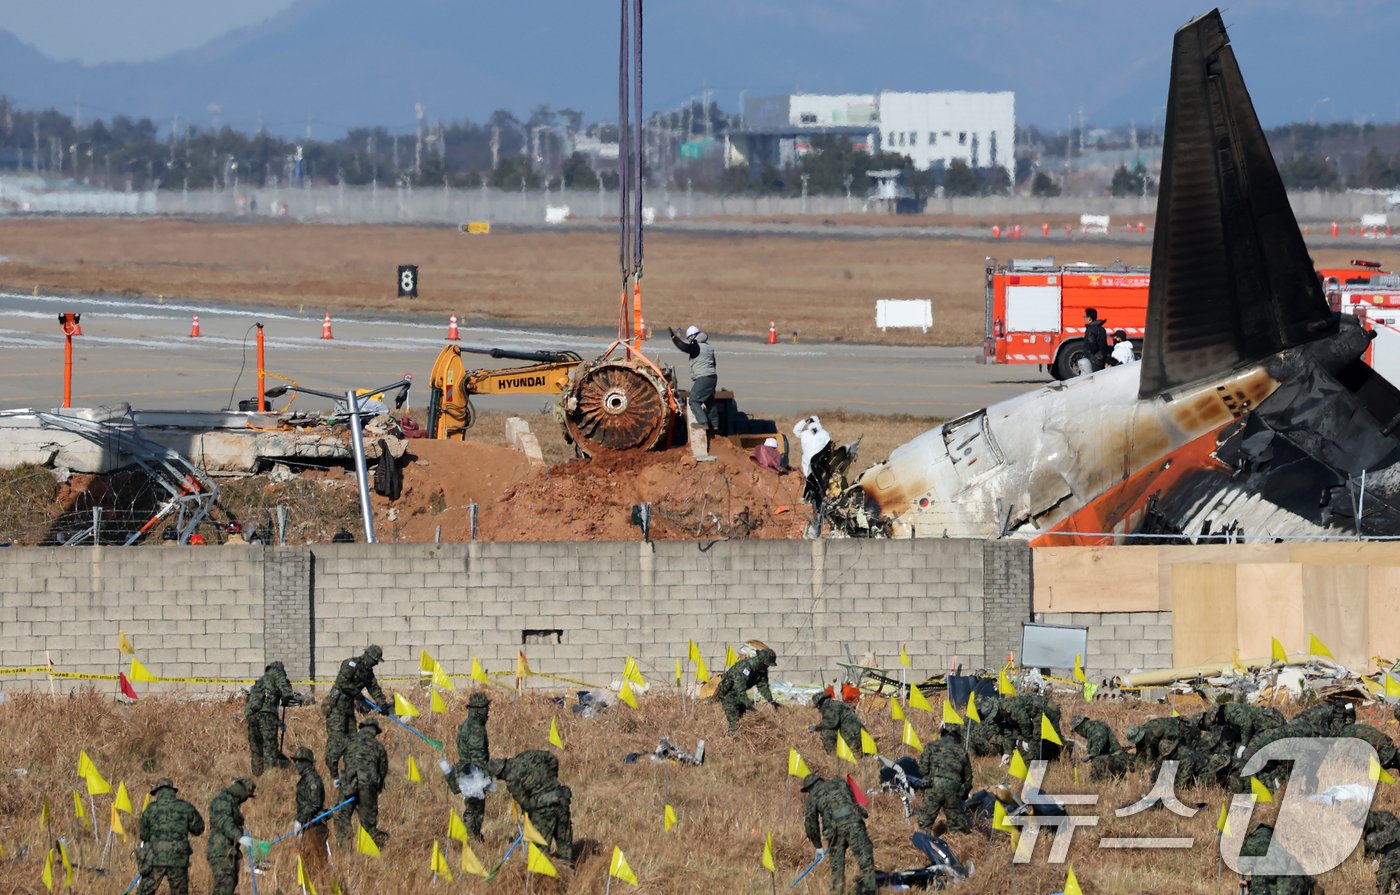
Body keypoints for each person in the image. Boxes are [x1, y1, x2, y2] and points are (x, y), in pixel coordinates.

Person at [490, 750, 574, 864]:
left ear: (500, 774)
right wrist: (552, 778)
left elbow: (526, 804)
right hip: (562, 798)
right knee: (565, 846)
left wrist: (534, 808)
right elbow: (552, 758)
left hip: (545, 809)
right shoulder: (526, 755)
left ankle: (543, 879)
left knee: (539, 851)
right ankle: (567, 872)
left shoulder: (511, 779)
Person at [801, 773, 877, 895]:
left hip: (835, 832)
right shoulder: (841, 783)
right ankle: (871, 891)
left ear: (810, 787)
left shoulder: (813, 795)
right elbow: (853, 802)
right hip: (855, 824)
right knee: (866, 864)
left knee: (837, 870)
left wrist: (818, 846)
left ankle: (837, 891)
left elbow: (811, 824)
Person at [323, 644, 387, 781]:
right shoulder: (351, 664)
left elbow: (374, 688)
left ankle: (350, 773)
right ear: (368, 656)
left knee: (353, 741)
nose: (376, 664)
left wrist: (383, 704)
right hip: (336, 708)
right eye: (375, 660)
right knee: (336, 741)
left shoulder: (368, 672)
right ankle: (333, 776)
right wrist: (356, 693)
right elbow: (342, 682)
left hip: (348, 709)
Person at [136, 778, 204, 895]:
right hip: (178, 858)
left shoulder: (150, 809)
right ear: (172, 791)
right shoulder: (186, 807)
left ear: (157, 792)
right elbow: (199, 829)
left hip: (155, 859)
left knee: (144, 892)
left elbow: (144, 835)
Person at [337, 717, 389, 848]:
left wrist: (334, 776)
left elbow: (332, 755)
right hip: (368, 786)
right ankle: (377, 850)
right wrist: (378, 786)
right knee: (368, 825)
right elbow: (382, 771)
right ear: (374, 732)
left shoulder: (349, 741)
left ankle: (344, 849)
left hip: (348, 784)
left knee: (341, 815)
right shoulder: (379, 747)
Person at [670, 324, 718, 462]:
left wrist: (674, 338)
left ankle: (703, 422)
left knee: (694, 400)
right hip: (712, 377)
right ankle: (714, 424)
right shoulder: (708, 347)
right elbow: (714, 364)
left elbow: (684, 347)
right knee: (709, 400)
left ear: (692, 337)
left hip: (703, 378)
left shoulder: (696, 346)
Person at [245, 660, 300, 776]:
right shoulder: (277, 672)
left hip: (251, 715)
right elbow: (287, 691)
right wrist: (286, 697)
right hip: (266, 715)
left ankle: (257, 776)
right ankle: (271, 777)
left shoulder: (261, 680)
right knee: (269, 747)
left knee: (256, 748)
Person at [450, 692, 492, 839]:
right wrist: (484, 776)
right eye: (486, 708)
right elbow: (478, 756)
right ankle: (469, 836)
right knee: (474, 807)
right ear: (479, 709)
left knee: (473, 805)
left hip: (466, 771)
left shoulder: (465, 725)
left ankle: (473, 835)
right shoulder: (476, 729)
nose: (488, 712)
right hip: (474, 774)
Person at [206, 777, 256, 895]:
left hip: (229, 851)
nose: (246, 799)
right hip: (221, 852)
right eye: (247, 795)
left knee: (229, 887)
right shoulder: (223, 800)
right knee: (224, 888)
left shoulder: (231, 802)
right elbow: (224, 821)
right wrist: (239, 837)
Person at [917, 730, 973, 834]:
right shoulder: (962, 751)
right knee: (957, 827)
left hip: (933, 786)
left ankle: (924, 844)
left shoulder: (931, 746)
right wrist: (963, 795)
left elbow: (922, 769)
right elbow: (968, 780)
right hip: (953, 789)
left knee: (924, 823)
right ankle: (956, 846)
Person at [713, 647, 779, 733]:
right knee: (735, 721)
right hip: (729, 692)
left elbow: (763, 685)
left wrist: (771, 700)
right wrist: (747, 703)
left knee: (743, 718)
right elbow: (739, 688)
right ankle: (729, 741)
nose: (768, 666)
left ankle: (737, 740)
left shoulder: (762, 670)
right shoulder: (746, 666)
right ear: (762, 661)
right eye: (767, 664)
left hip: (739, 694)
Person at [291, 746, 328, 878]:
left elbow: (315, 803)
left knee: (319, 863)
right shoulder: (305, 779)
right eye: (296, 761)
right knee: (308, 864)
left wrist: (300, 820)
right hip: (308, 827)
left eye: (299, 761)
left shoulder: (312, 779)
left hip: (316, 827)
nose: (297, 764)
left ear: (307, 762)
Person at [810, 691, 862, 756]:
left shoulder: (829, 707)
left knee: (826, 732)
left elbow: (830, 724)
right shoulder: (836, 704)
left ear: (819, 704)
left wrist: (815, 728)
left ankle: (833, 756)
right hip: (859, 735)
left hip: (853, 737)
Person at [1081, 308, 1109, 373]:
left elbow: (1092, 344)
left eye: (1084, 317)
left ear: (1089, 318)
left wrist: (1088, 355)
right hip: (1101, 359)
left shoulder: (1090, 329)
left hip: (1093, 360)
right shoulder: (1102, 329)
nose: (1084, 319)